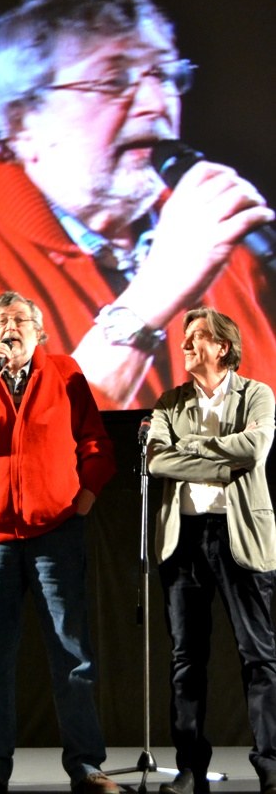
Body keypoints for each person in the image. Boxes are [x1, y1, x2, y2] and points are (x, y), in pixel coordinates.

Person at [0, 0, 276, 422]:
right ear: (20, 121)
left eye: (164, 76)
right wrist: (156, 293)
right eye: (113, 80)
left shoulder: (219, 233)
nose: (157, 103)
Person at [0, 291, 117, 794]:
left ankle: (86, 766)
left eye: (19, 320)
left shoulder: (65, 372)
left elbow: (97, 444)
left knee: (71, 653)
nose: (9, 328)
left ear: (40, 331)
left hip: (55, 533)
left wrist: (83, 496)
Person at [147, 307, 276, 794]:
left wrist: (194, 449)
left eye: (197, 337)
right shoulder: (169, 401)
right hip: (184, 542)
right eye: (185, 336)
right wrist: (220, 459)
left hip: (241, 537)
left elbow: (255, 447)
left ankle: (271, 766)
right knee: (185, 660)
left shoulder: (256, 394)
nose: (185, 344)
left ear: (222, 347)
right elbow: (158, 460)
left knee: (259, 657)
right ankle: (189, 769)